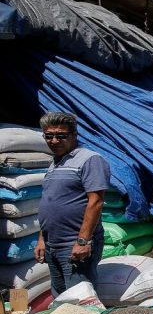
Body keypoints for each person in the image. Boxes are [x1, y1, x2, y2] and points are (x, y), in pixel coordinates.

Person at [34, 112, 110, 297]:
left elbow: (96, 201)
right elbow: (49, 203)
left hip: (74, 244)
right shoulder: (54, 164)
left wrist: (83, 241)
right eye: (49, 136)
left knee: (80, 299)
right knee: (60, 296)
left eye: (61, 136)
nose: (54, 141)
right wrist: (42, 240)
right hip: (53, 245)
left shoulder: (89, 159)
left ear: (74, 135)